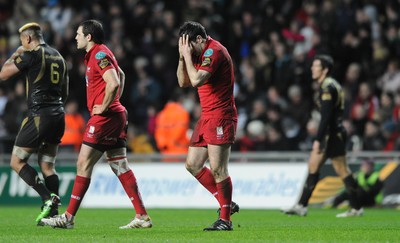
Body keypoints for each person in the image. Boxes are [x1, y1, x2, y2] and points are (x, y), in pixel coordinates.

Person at [39, 19, 151, 229]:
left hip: (105, 117)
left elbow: (115, 81)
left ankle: (68, 218)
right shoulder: (99, 53)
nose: (75, 37)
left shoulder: (99, 54)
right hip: (115, 115)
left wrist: (106, 104)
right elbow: (122, 75)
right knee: (119, 164)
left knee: (83, 164)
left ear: (88, 36)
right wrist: (115, 102)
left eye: (79, 34)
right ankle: (142, 216)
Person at [0, 22, 69, 223]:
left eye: (22, 40)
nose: (22, 43)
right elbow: (65, 90)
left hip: (40, 115)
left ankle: (47, 198)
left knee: (16, 161)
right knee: (47, 165)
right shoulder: (59, 56)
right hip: (59, 115)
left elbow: (3, 74)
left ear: (28, 38)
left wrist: (15, 53)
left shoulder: (32, 54)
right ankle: (54, 214)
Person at [282, 55, 363, 217]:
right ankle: (302, 205)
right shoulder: (332, 85)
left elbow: (326, 117)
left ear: (325, 70)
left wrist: (318, 139)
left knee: (342, 170)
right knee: (315, 166)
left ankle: (356, 207)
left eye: (316, 66)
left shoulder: (326, 87)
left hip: (331, 135)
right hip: (334, 133)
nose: (313, 68)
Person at [177, 21, 239, 231]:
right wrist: (181, 57)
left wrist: (186, 57)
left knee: (218, 169)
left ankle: (226, 220)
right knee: (192, 165)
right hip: (207, 117)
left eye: (189, 45)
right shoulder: (196, 52)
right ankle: (226, 204)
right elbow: (183, 82)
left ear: (200, 39)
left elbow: (196, 81)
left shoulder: (215, 51)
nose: (188, 50)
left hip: (221, 116)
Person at [154, 88, 190, 155]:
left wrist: (164, 145)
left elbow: (159, 134)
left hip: (166, 153)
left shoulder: (162, 114)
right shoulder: (183, 113)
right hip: (181, 152)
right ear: (180, 99)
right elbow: (180, 131)